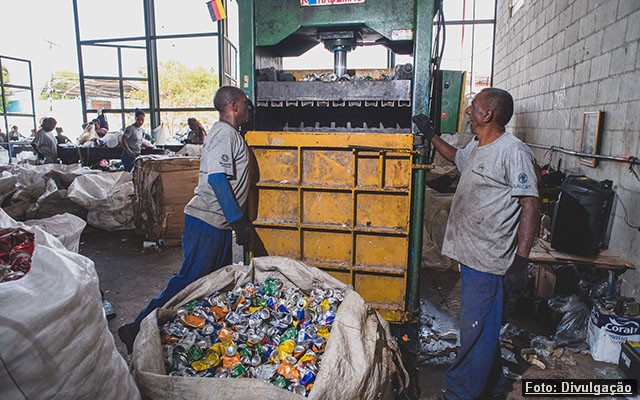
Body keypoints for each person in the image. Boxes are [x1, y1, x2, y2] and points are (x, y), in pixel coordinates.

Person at [413, 88, 539, 400]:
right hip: (471, 256)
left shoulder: (513, 152)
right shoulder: (478, 146)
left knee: (475, 330)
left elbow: (531, 205)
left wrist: (521, 261)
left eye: (474, 106)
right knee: (482, 328)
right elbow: (455, 156)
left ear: (488, 114)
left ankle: (460, 393)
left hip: (489, 259)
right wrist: (430, 134)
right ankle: (494, 387)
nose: (469, 111)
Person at [117, 86, 253, 353]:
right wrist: (238, 221)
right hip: (208, 222)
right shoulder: (224, 134)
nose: (250, 108)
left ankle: (201, 335)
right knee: (189, 281)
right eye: (246, 104)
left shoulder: (229, 134)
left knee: (213, 285)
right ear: (234, 106)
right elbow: (217, 179)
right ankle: (137, 327)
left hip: (218, 224)